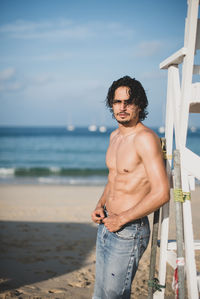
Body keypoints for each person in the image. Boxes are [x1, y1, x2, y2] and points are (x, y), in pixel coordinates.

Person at [91, 76, 170, 299]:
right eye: (117, 102)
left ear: (140, 105)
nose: (122, 107)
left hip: (129, 229)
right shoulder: (114, 136)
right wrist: (100, 205)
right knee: (100, 293)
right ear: (111, 105)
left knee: (114, 295)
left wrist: (122, 219)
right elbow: (114, 177)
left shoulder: (145, 139)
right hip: (107, 223)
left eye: (129, 102)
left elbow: (162, 193)